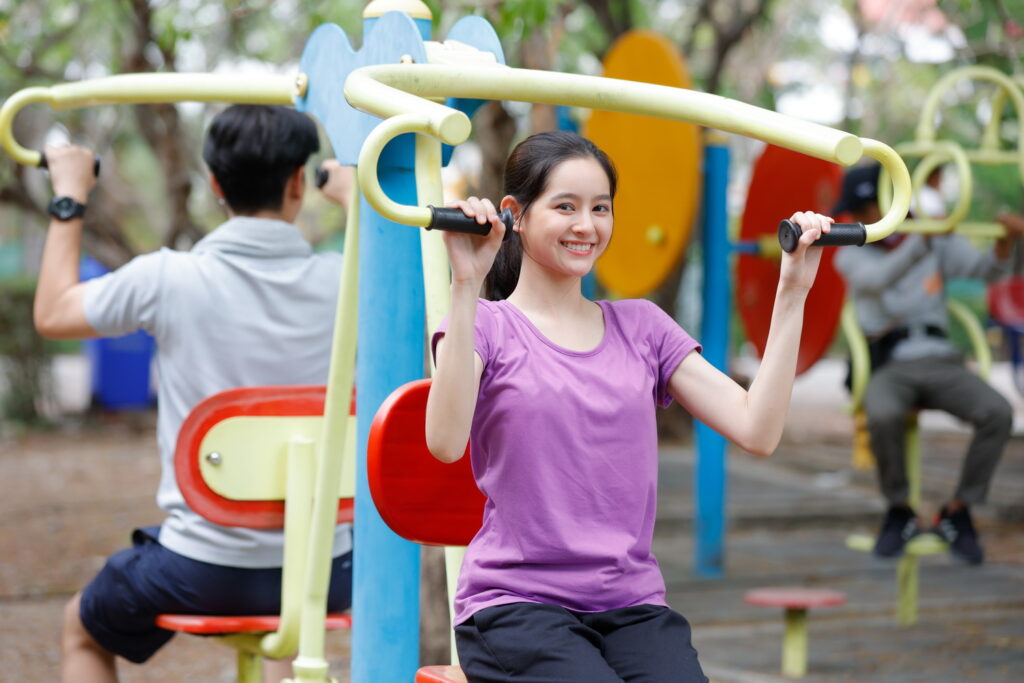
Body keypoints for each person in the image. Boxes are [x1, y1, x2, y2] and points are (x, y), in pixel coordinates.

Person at [424, 130, 832, 683]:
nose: (586, 225)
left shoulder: (641, 328)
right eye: (565, 206)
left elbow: (756, 429)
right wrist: (466, 283)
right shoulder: (487, 326)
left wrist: (793, 291)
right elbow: (445, 443)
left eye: (600, 208)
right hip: (517, 605)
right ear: (514, 214)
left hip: (630, 605)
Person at [34, 105, 355, 683]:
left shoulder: (167, 279)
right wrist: (358, 202)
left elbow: (54, 312)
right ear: (298, 182)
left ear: (214, 184)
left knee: (81, 629)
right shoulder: (348, 280)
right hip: (328, 572)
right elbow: (410, 276)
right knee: (291, 625)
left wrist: (70, 195)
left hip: (202, 571)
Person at [833, 163, 1019, 565]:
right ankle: (899, 509)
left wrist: (1004, 246)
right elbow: (877, 279)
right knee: (882, 413)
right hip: (890, 366)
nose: (860, 218)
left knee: (998, 412)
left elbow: (982, 270)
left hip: (939, 358)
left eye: (865, 209)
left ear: (890, 202)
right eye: (857, 212)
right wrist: (923, 239)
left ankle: (958, 510)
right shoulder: (851, 252)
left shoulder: (933, 236)